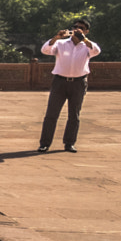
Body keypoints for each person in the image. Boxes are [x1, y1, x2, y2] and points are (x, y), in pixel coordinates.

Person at [39, 18, 101, 152]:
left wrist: (84, 39)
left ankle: (69, 143)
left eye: (80, 28)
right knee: (51, 114)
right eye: (75, 27)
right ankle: (45, 143)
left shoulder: (87, 46)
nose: (76, 29)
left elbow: (96, 51)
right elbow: (45, 50)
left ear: (86, 31)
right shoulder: (61, 43)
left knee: (74, 115)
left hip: (78, 83)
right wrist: (56, 37)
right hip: (60, 82)